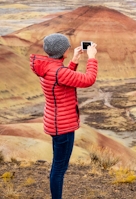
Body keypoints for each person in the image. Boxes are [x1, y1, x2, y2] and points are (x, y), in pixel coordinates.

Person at [30, 33, 98, 199]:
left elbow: (63, 79)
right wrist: (92, 58)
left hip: (54, 122)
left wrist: (74, 60)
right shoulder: (58, 72)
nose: (69, 48)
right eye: (67, 47)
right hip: (63, 126)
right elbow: (88, 79)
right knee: (59, 168)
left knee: (57, 165)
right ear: (62, 51)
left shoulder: (47, 68)